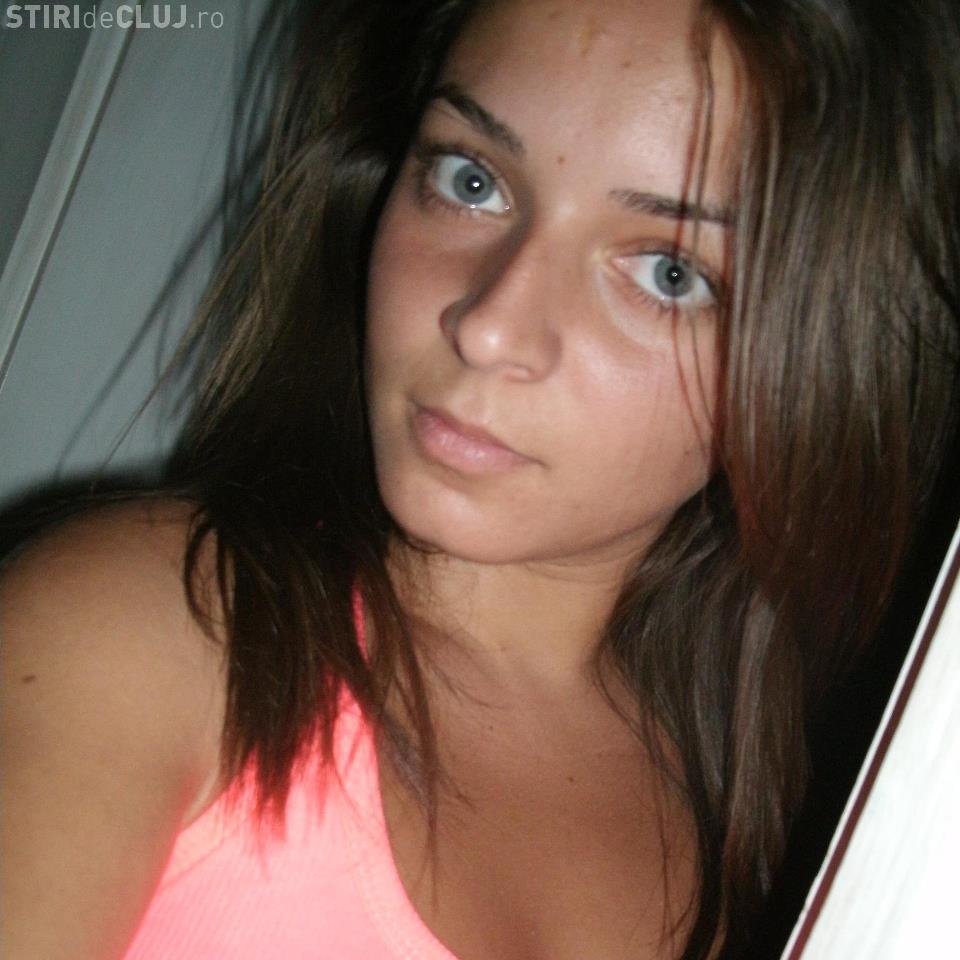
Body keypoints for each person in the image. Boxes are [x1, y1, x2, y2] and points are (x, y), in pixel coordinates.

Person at [2, 0, 958, 958]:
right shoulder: (140, 641)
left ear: (819, 368)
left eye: (670, 272)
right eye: (472, 180)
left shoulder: (796, 856)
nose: (490, 325)